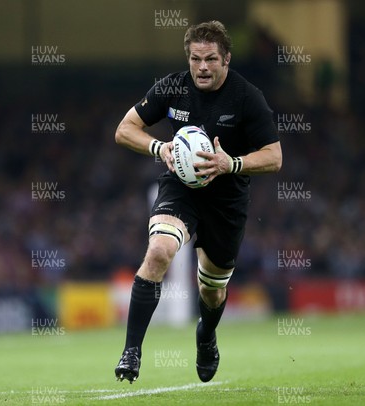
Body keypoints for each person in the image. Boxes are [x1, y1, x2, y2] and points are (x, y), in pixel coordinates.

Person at [114, 20, 282, 384]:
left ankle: (205, 336)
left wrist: (231, 163)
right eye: (195, 58)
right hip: (182, 189)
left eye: (210, 59)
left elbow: (274, 156)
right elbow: (124, 129)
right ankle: (132, 351)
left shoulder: (246, 96)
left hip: (227, 200)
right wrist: (160, 148)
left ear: (226, 60)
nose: (202, 67)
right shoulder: (173, 86)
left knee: (212, 289)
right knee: (158, 251)